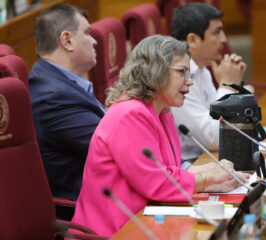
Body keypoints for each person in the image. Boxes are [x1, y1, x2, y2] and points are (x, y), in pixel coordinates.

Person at [72, 35, 249, 236]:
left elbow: (167, 170)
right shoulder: (129, 114)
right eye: (183, 72)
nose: (190, 82)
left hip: (146, 219)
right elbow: (156, 183)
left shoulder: (162, 111)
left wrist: (215, 180)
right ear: (155, 72)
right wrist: (207, 177)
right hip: (115, 230)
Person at [29, 4, 105, 200]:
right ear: (67, 40)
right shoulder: (53, 97)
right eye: (87, 33)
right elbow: (115, 148)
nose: (94, 41)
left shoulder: (58, 83)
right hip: (91, 210)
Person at [170, 3, 247, 169]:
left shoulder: (202, 69)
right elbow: (215, 137)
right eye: (217, 32)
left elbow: (222, 121)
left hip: (206, 158)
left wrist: (230, 86)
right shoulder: (180, 76)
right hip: (190, 166)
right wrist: (228, 86)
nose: (224, 39)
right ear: (193, 40)